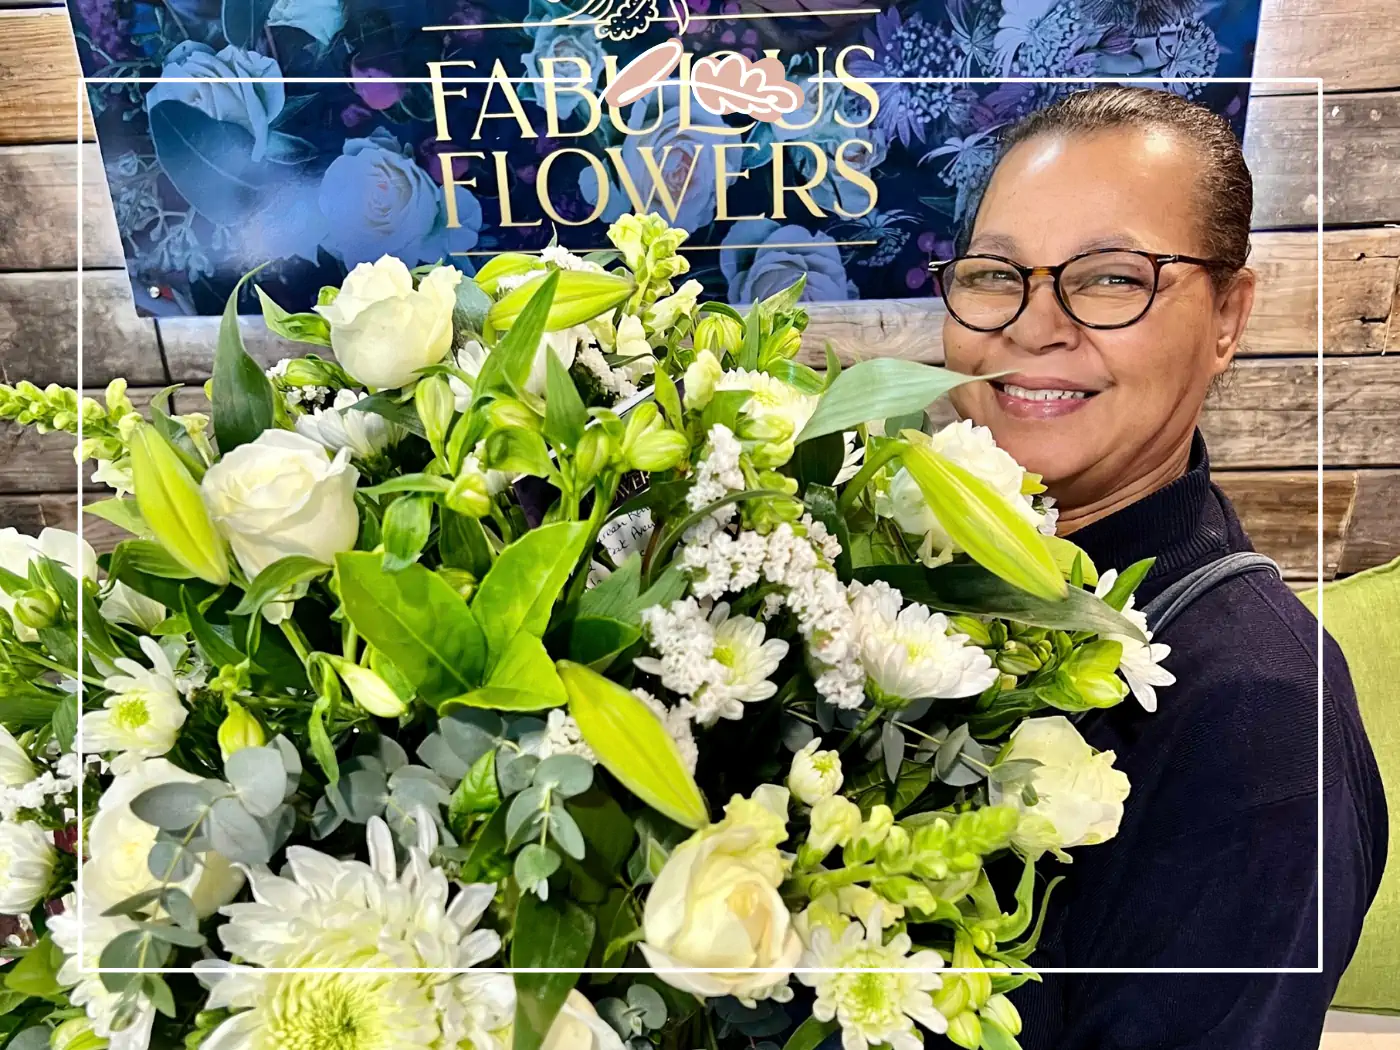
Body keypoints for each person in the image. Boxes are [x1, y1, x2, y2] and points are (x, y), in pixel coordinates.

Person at [933, 86, 1387, 1049]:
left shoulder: (1259, 720)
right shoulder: (908, 593)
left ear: (1229, 314)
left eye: (1108, 278)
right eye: (994, 274)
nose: (1032, 325)